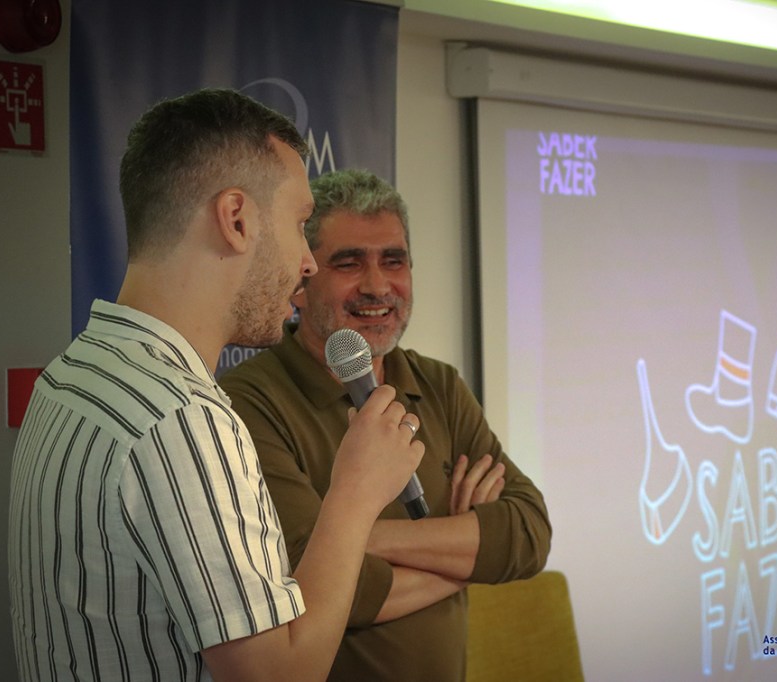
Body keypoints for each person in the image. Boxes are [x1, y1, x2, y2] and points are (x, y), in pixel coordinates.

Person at [7, 89, 424, 682]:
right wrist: (356, 494)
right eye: (300, 224)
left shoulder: (73, 372)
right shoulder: (181, 419)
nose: (308, 262)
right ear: (236, 219)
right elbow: (279, 676)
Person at [219, 168, 552, 681]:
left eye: (393, 261)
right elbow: (319, 591)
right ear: (300, 282)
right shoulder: (249, 401)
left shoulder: (439, 384)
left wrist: (358, 537)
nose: (377, 286)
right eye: (349, 263)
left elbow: (528, 534)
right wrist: (469, 555)